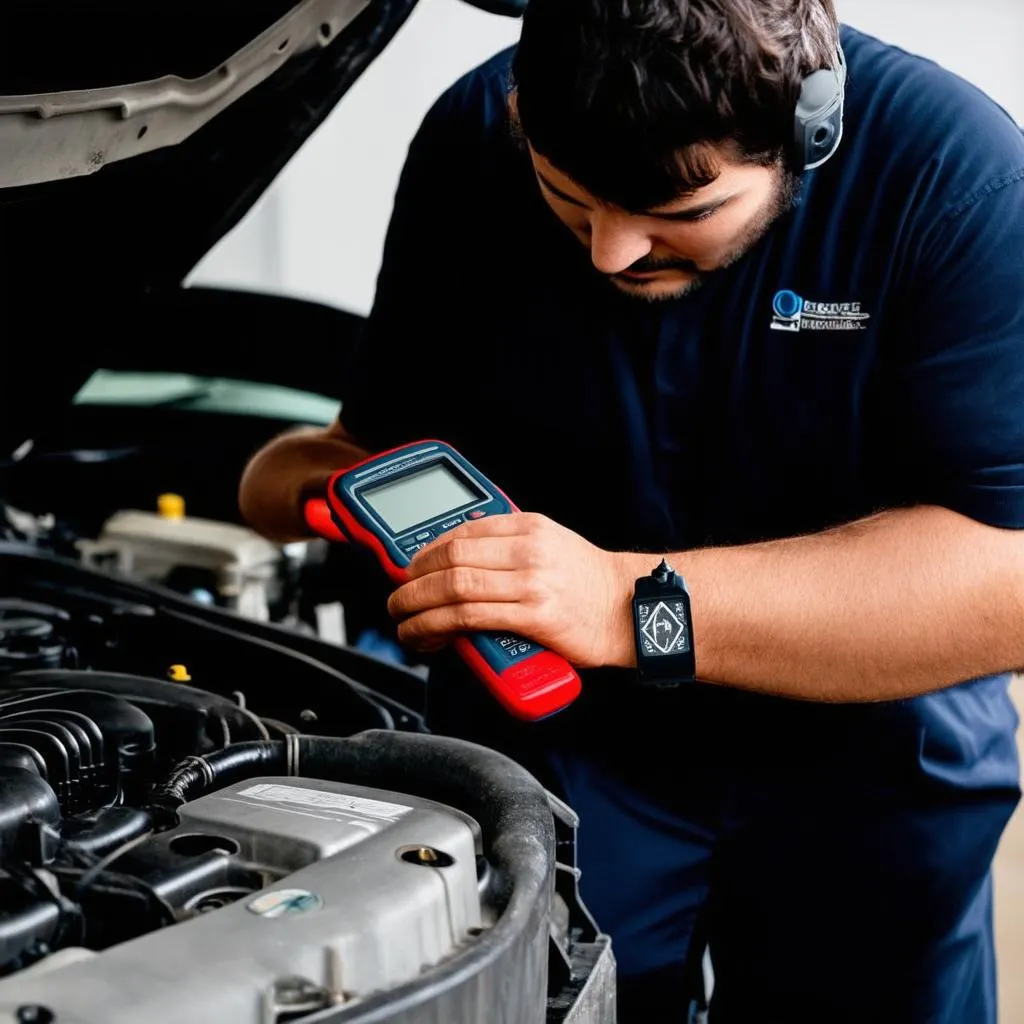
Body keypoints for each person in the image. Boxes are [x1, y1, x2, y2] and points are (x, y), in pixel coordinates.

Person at [239, 1, 1024, 1019]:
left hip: (871, 754)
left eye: (680, 211)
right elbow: (375, 443)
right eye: (569, 200)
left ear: (810, 130)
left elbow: (1005, 579)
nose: (612, 252)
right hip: (564, 757)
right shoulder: (473, 133)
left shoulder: (954, 177)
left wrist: (624, 602)